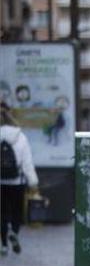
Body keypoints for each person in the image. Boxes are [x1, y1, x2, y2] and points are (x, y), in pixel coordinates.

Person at [0, 103, 39, 256]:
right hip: (17, 181)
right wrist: (33, 182)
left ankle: (3, 245)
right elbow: (27, 162)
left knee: (2, 213)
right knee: (17, 212)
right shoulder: (20, 137)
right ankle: (14, 233)